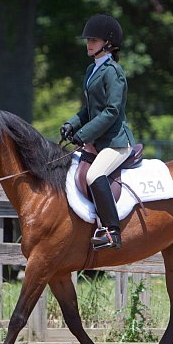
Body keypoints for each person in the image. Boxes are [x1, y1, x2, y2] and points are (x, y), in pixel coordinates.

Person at [60, 14, 136, 250]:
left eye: (93, 39)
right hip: (99, 141)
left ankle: (113, 232)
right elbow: (90, 109)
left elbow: (112, 111)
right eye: (88, 39)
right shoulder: (93, 69)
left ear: (108, 42)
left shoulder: (114, 72)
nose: (88, 43)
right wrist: (72, 124)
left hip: (116, 142)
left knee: (94, 175)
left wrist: (84, 135)